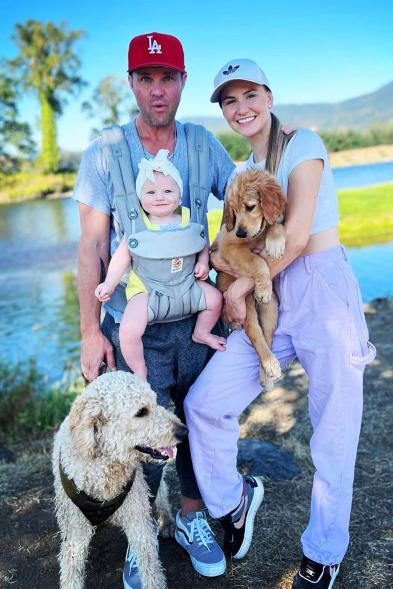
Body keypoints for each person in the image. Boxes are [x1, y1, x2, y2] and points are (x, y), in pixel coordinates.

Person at [184, 58, 376, 588]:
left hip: (317, 289)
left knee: (334, 429)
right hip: (270, 297)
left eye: (249, 95)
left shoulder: (302, 144)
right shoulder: (244, 168)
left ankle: (323, 551)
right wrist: (218, 266)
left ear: (268, 96)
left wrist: (239, 290)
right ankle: (233, 500)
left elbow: (294, 237)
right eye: (229, 100)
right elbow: (229, 240)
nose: (240, 108)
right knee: (204, 404)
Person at [73, 32, 234, 588]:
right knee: (139, 432)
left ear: (183, 82)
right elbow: (93, 247)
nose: (157, 90)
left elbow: (238, 204)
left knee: (193, 422)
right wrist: (91, 332)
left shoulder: (202, 144)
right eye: (146, 78)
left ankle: (192, 519)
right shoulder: (105, 151)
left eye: (168, 78)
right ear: (132, 83)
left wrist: (225, 268)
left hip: (195, 318)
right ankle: (143, 537)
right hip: (134, 322)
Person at [94, 149, 226, 379]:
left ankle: (201, 332)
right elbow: (122, 257)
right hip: (148, 289)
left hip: (185, 284)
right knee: (128, 329)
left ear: (179, 193)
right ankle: (139, 368)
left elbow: (200, 242)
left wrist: (203, 262)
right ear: (140, 198)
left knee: (215, 299)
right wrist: (109, 283)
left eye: (167, 190)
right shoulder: (138, 227)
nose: (160, 197)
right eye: (151, 192)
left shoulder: (187, 218)